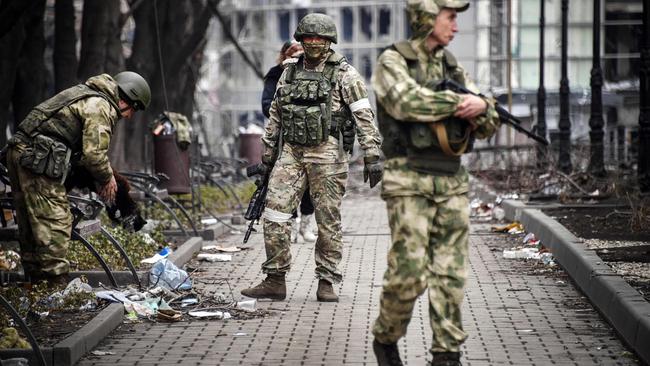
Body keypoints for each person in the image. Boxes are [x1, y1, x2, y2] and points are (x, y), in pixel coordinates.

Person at [370, 1, 501, 365]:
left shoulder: (451, 65)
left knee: (450, 275)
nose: (456, 26)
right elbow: (406, 103)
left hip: (452, 181)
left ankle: (447, 353)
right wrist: (464, 102)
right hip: (409, 179)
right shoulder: (392, 61)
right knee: (408, 274)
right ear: (428, 17)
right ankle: (386, 337)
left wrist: (483, 107)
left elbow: (487, 119)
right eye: (450, 17)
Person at [242, 13, 383, 302]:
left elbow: (363, 116)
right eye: (309, 37)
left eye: (320, 38)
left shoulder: (345, 74)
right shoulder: (289, 72)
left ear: (330, 41)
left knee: (327, 220)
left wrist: (372, 154)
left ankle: (327, 280)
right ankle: (275, 279)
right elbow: (276, 117)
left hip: (329, 157)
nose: (314, 43)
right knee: (275, 214)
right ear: (301, 39)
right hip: (292, 154)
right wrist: (267, 157)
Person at [6, 71, 151, 284]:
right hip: (36, 158)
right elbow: (94, 155)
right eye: (133, 110)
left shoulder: (87, 94)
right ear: (125, 99)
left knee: (31, 223)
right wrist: (106, 178)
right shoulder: (102, 106)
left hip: (23, 154)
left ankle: (35, 284)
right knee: (55, 222)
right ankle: (55, 286)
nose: (128, 116)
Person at [261, 40, 316, 243]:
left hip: (311, 139)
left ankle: (306, 226)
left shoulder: (315, 73)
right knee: (287, 185)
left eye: (301, 52)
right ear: (284, 54)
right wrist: (288, 112)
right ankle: (291, 226)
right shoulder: (276, 74)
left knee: (310, 183)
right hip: (284, 139)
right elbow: (267, 104)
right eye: (293, 52)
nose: (298, 57)